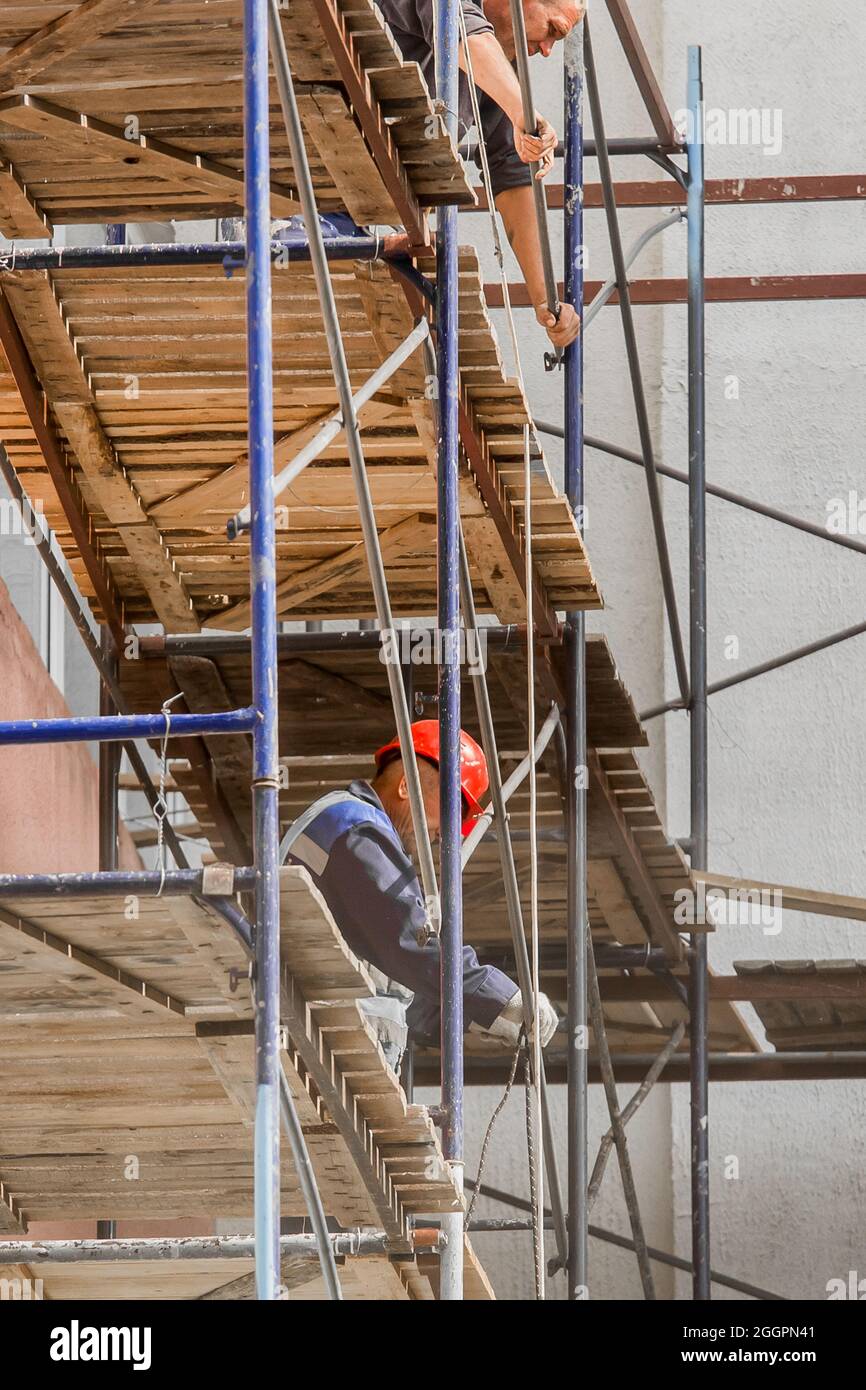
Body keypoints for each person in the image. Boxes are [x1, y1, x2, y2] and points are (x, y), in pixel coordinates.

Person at [280, 720, 558, 1072]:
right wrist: (503, 999)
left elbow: (396, 977)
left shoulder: (354, 832)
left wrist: (478, 1015)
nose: (444, 835)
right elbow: (410, 941)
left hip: (320, 1040)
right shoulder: (356, 827)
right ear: (404, 787)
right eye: (446, 816)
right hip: (312, 1042)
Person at [378, 0, 585, 353]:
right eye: (553, 30)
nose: (548, 50)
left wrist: (545, 301)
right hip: (311, 173)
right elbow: (459, 28)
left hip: (372, 214)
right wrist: (523, 112)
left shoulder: (498, 68)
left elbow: (512, 171)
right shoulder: (458, 21)